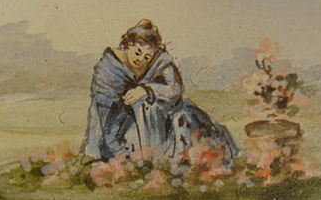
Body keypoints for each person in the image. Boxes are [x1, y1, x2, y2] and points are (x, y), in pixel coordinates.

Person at [80, 19, 238, 163]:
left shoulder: (160, 61)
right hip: (122, 128)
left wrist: (147, 90)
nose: (140, 59)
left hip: (162, 122)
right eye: (138, 52)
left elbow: (175, 89)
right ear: (128, 44)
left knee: (184, 119)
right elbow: (99, 111)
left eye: (147, 57)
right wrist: (93, 152)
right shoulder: (109, 67)